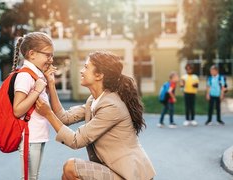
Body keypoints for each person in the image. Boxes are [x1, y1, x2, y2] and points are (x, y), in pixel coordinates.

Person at [36, 51, 156, 180]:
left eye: (86, 67)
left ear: (99, 75)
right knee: (67, 175)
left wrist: (48, 114)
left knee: (71, 167)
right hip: (112, 169)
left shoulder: (111, 106)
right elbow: (64, 117)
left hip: (130, 175)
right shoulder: (94, 100)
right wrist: (52, 85)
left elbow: (76, 140)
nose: (82, 71)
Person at [12, 32, 54, 180]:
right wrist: (37, 90)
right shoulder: (25, 76)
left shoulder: (36, 74)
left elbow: (42, 104)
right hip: (30, 137)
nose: (51, 59)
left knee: (32, 177)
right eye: (48, 55)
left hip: (38, 135)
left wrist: (48, 84)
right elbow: (17, 110)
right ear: (32, 54)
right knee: (30, 178)